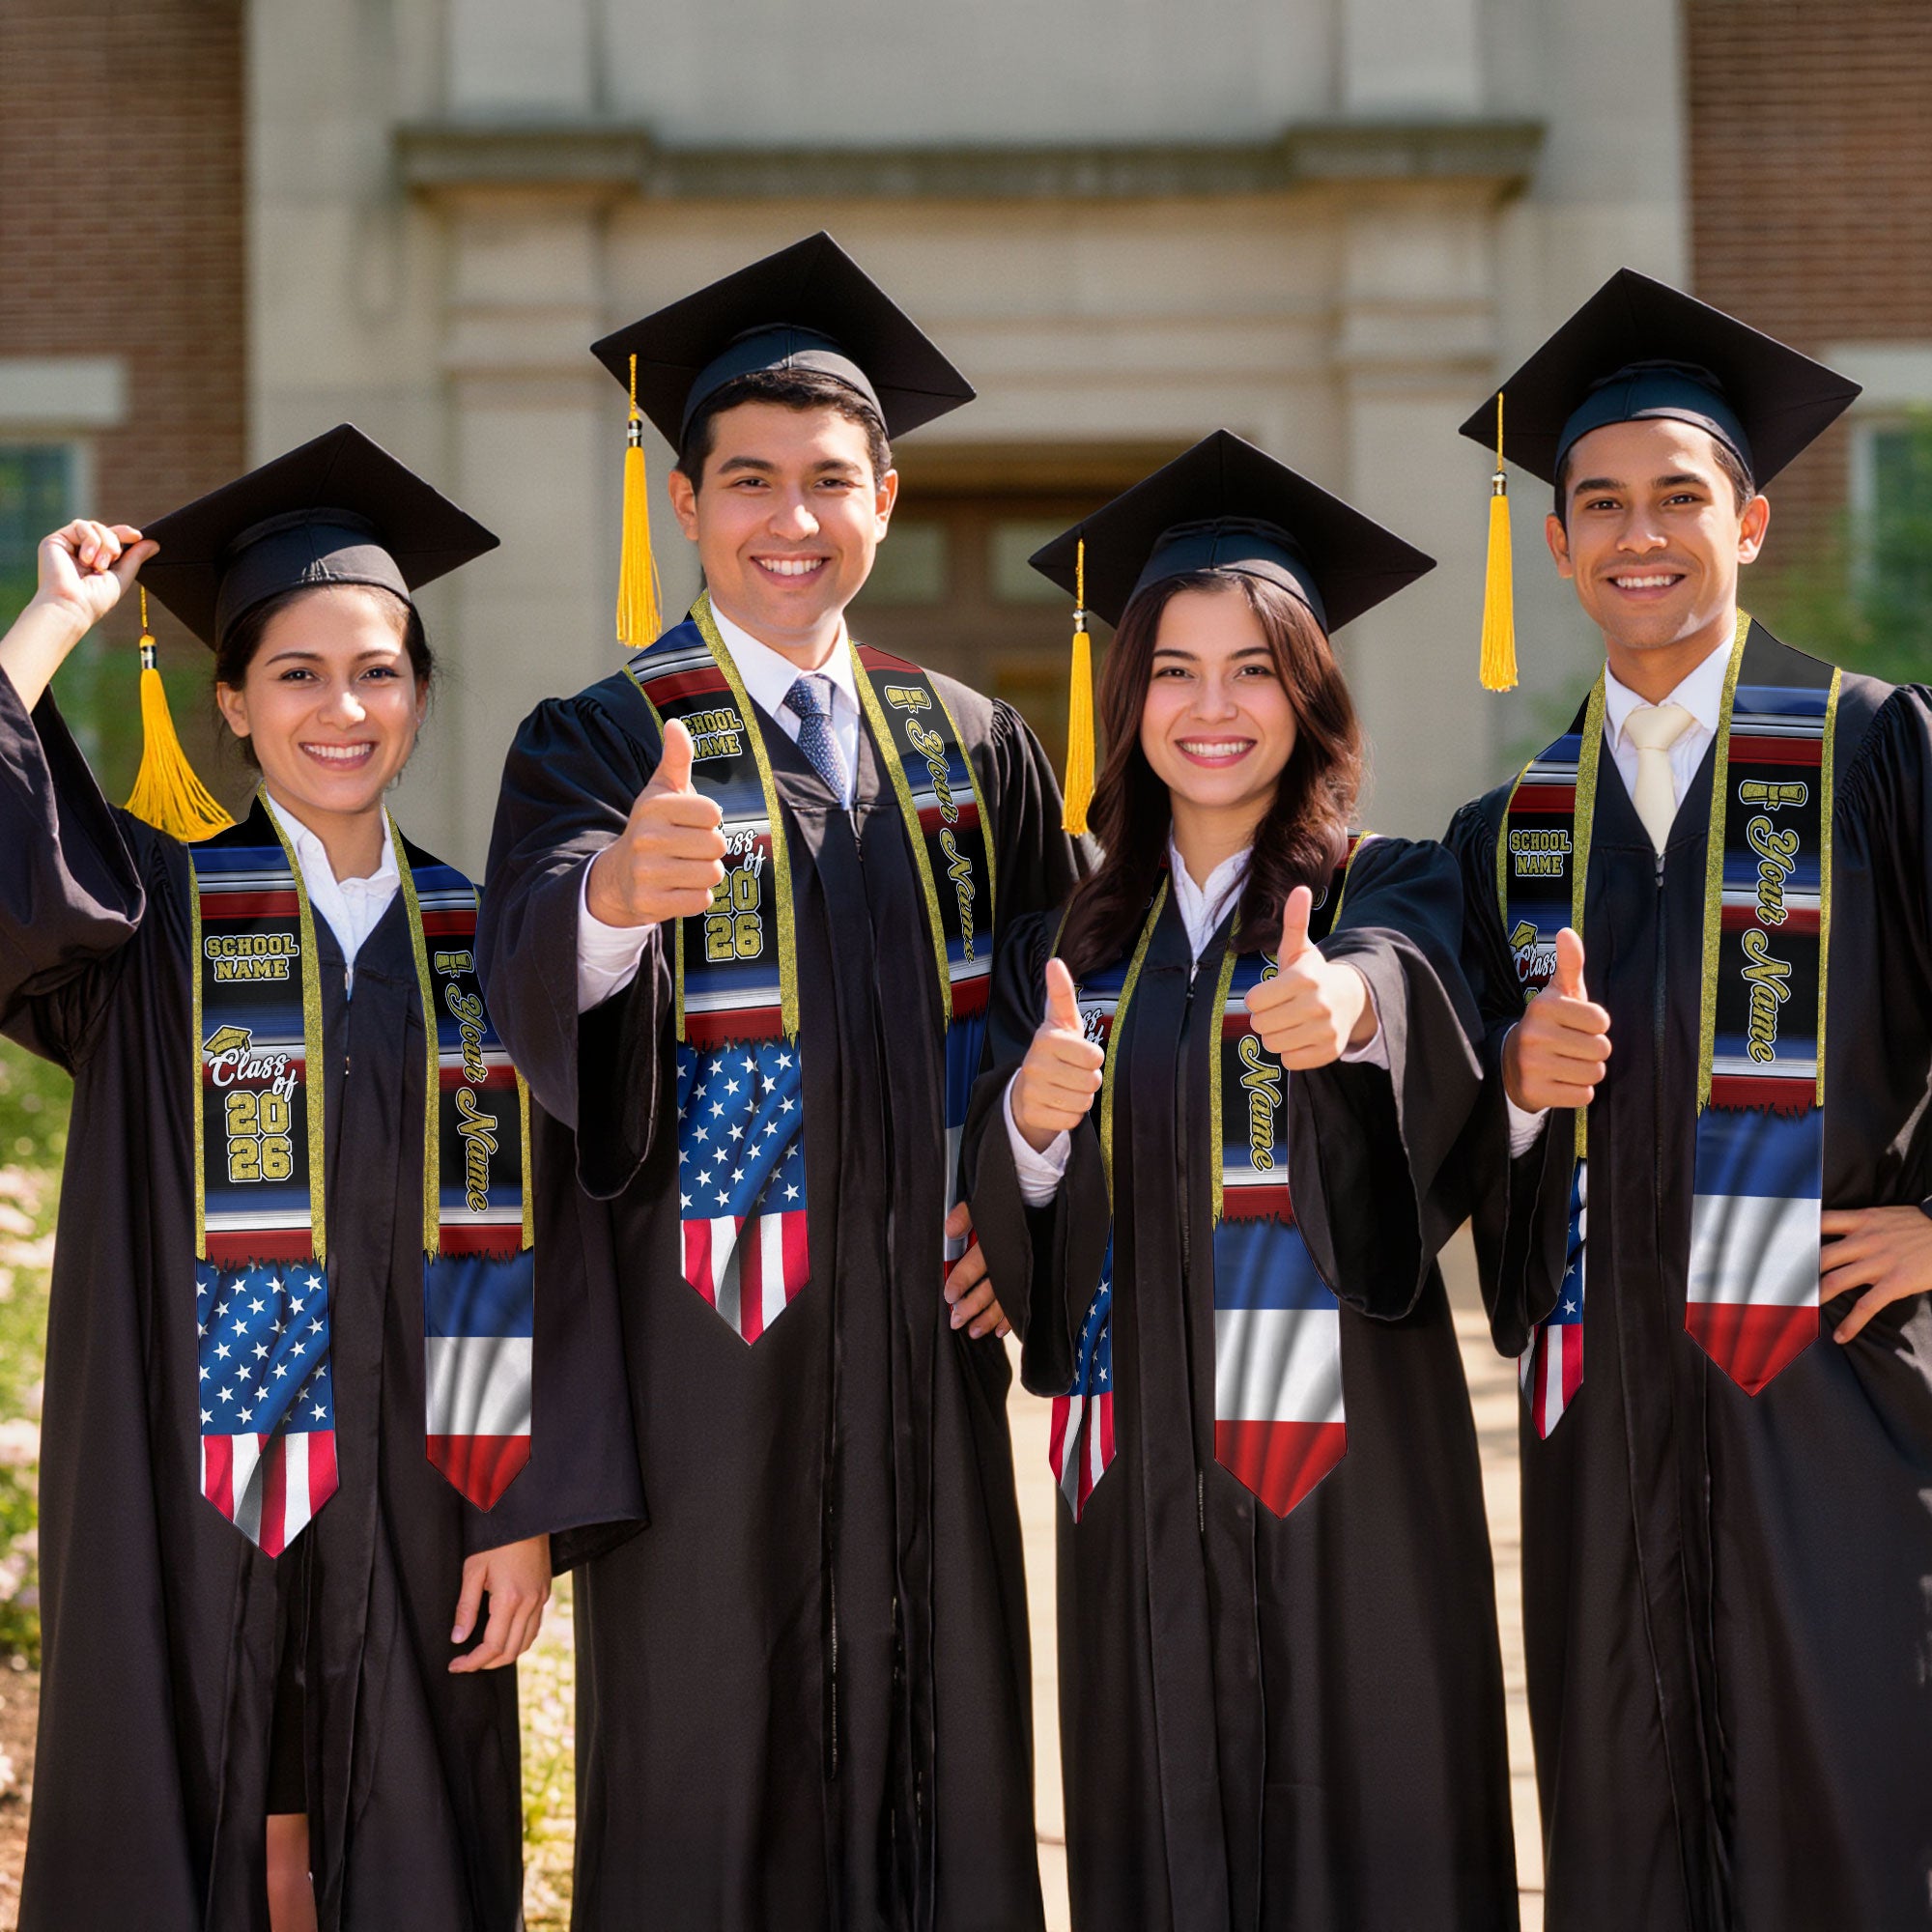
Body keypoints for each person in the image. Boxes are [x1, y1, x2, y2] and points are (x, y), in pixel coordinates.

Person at [478, 233, 1083, 1931]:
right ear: (686, 503)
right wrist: (610, 899)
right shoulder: (600, 738)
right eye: (749, 481)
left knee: (944, 1761)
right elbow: (523, 971)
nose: (790, 519)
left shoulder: (971, 743)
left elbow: (1075, 1003)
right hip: (706, 1366)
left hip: (926, 1353)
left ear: (886, 497)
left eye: (831, 481)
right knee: (709, 1776)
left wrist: (1021, 1198)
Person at [0, 425, 641, 1932]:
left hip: (430, 1490)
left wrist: (527, 1507)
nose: (340, 708)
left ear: (419, 694)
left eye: (378, 671)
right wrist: (51, 624)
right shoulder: (149, 917)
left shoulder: (494, 942)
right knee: (191, 1805)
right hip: (185, 1482)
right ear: (230, 701)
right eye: (295, 673)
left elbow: (566, 1243)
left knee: (408, 1832)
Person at [965, 431, 1518, 1931]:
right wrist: (1024, 1121)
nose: (1214, 709)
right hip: (1137, 1472)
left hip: (1353, 1475)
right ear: (1127, 696)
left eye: (1256, 669)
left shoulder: (1387, 884)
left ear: (1311, 693)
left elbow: (1411, 990)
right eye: (1175, 671)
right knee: (1160, 1824)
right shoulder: (1068, 945)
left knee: (1376, 1825)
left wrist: (1347, 1014)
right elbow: (1019, 1212)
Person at [1446, 270, 1932, 1931]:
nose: (1637, 534)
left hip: (1834, 1402)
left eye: (1677, 497)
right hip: (1606, 1421)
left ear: (1752, 520)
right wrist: (1512, 1089)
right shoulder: (1508, 828)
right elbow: (1448, 1137)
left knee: (1854, 1807)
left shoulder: (1874, 751)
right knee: (1624, 1818)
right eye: (1599, 504)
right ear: (1561, 543)